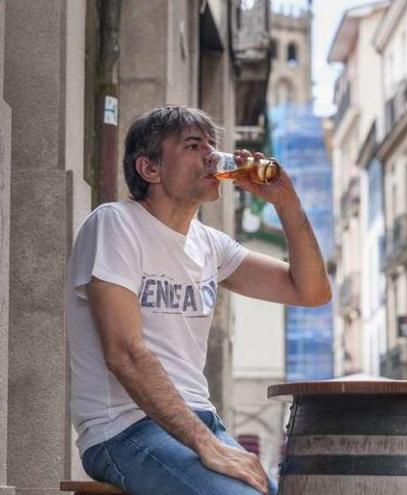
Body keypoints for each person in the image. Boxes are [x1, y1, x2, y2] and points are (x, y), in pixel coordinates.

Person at [66, 106, 331, 495]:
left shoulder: (209, 244)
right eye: (193, 146)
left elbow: (311, 292)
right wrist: (207, 446)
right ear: (149, 169)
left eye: (211, 145)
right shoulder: (115, 224)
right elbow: (125, 353)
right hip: (123, 430)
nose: (210, 155)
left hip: (199, 423)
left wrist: (286, 203)